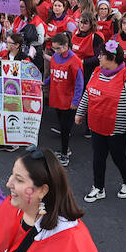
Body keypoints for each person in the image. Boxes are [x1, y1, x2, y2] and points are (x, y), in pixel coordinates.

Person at [74, 42, 126, 202]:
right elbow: (88, 94)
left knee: (118, 157)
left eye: (101, 55)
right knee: (98, 157)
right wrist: (80, 113)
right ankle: (98, 188)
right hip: (97, 125)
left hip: (116, 129)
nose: (98, 57)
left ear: (112, 58)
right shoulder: (96, 71)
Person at [45, 31, 85, 166]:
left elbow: (80, 83)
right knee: (62, 127)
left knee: (65, 128)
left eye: (58, 48)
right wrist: (45, 82)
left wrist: (75, 101)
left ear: (66, 45)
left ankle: (64, 155)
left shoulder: (75, 61)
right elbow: (53, 73)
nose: (55, 51)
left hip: (68, 100)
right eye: (54, 48)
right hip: (57, 96)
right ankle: (65, 150)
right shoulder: (56, 57)